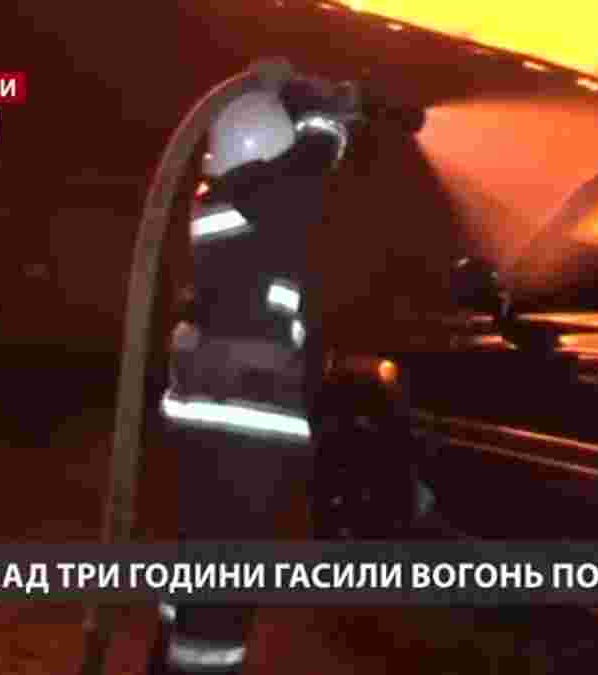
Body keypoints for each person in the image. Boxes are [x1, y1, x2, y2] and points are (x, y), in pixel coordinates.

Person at [145, 59, 361, 675]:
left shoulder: (231, 206)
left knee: (199, 564)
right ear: (266, 153)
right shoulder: (257, 200)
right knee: (224, 585)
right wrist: (321, 109)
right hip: (242, 430)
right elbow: (311, 164)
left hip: (212, 425)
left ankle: (167, 662)